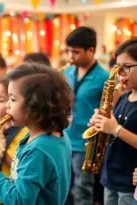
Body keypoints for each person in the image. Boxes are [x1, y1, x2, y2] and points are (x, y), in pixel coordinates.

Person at [0, 63, 73, 205]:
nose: (7, 105)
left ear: (34, 106)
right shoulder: (56, 135)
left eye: (12, 99)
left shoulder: (38, 150)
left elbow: (20, 201)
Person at [62, 26, 109, 205]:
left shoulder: (104, 77)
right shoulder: (67, 72)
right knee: (62, 188)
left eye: (75, 52)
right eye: (68, 51)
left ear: (91, 51)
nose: (70, 57)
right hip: (64, 138)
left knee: (82, 191)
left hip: (86, 144)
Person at [89, 38, 137, 205]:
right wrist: (101, 122)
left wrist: (115, 129)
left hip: (130, 184)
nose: (120, 73)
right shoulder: (124, 97)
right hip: (111, 177)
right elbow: (112, 128)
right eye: (117, 67)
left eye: (126, 67)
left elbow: (117, 130)